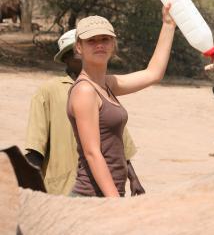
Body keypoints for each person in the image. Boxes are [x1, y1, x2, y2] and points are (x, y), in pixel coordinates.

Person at [67, 5, 176, 197]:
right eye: (91, 40)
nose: (99, 44)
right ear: (79, 47)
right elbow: (92, 153)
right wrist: (115, 203)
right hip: (91, 198)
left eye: (105, 39)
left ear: (113, 44)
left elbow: (153, 74)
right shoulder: (85, 90)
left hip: (106, 195)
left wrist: (168, 25)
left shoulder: (106, 83)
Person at [25, 29, 145, 196]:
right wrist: (29, 188)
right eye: (75, 52)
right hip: (62, 187)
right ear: (67, 58)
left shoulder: (103, 88)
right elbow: (35, 147)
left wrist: (133, 177)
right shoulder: (49, 91)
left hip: (105, 185)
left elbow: (116, 140)